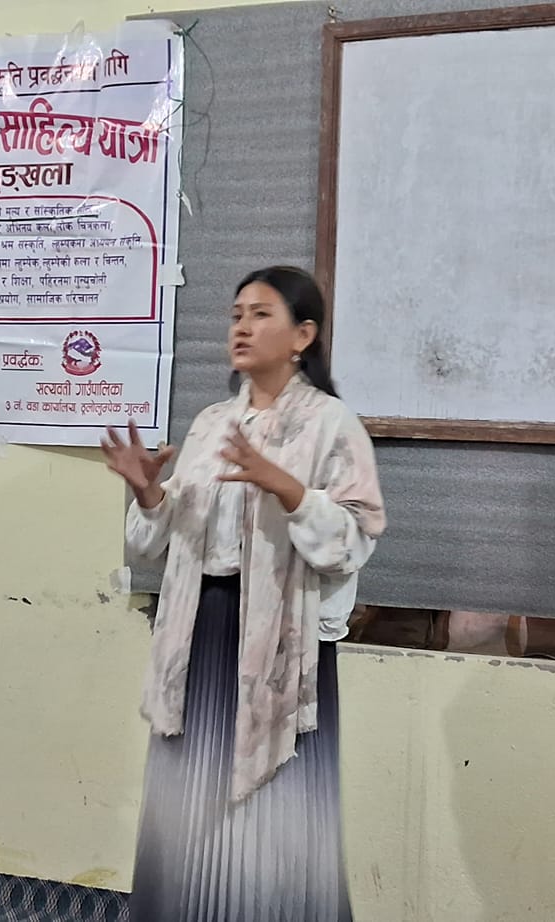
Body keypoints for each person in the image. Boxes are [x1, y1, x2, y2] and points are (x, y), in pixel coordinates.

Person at [103, 266, 386, 921]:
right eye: (236, 314)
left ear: (303, 335)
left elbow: (354, 541)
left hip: (285, 645)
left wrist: (288, 489)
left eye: (261, 314)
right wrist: (149, 494)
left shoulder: (332, 425)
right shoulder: (211, 424)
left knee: (279, 813)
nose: (242, 327)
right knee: (187, 801)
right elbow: (158, 541)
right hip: (199, 633)